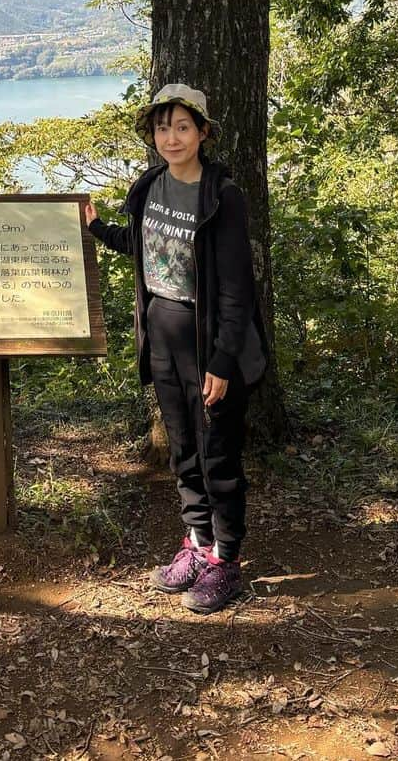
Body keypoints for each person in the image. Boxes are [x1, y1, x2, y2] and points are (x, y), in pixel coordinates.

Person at [84, 84, 268, 614]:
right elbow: (143, 249)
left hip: (207, 339)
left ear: (203, 132)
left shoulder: (221, 196)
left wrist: (222, 361)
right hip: (161, 333)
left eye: (182, 127)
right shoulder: (150, 187)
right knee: (183, 447)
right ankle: (197, 543)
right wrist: (98, 229)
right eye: (162, 127)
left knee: (218, 455)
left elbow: (236, 290)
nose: (171, 137)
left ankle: (226, 561)